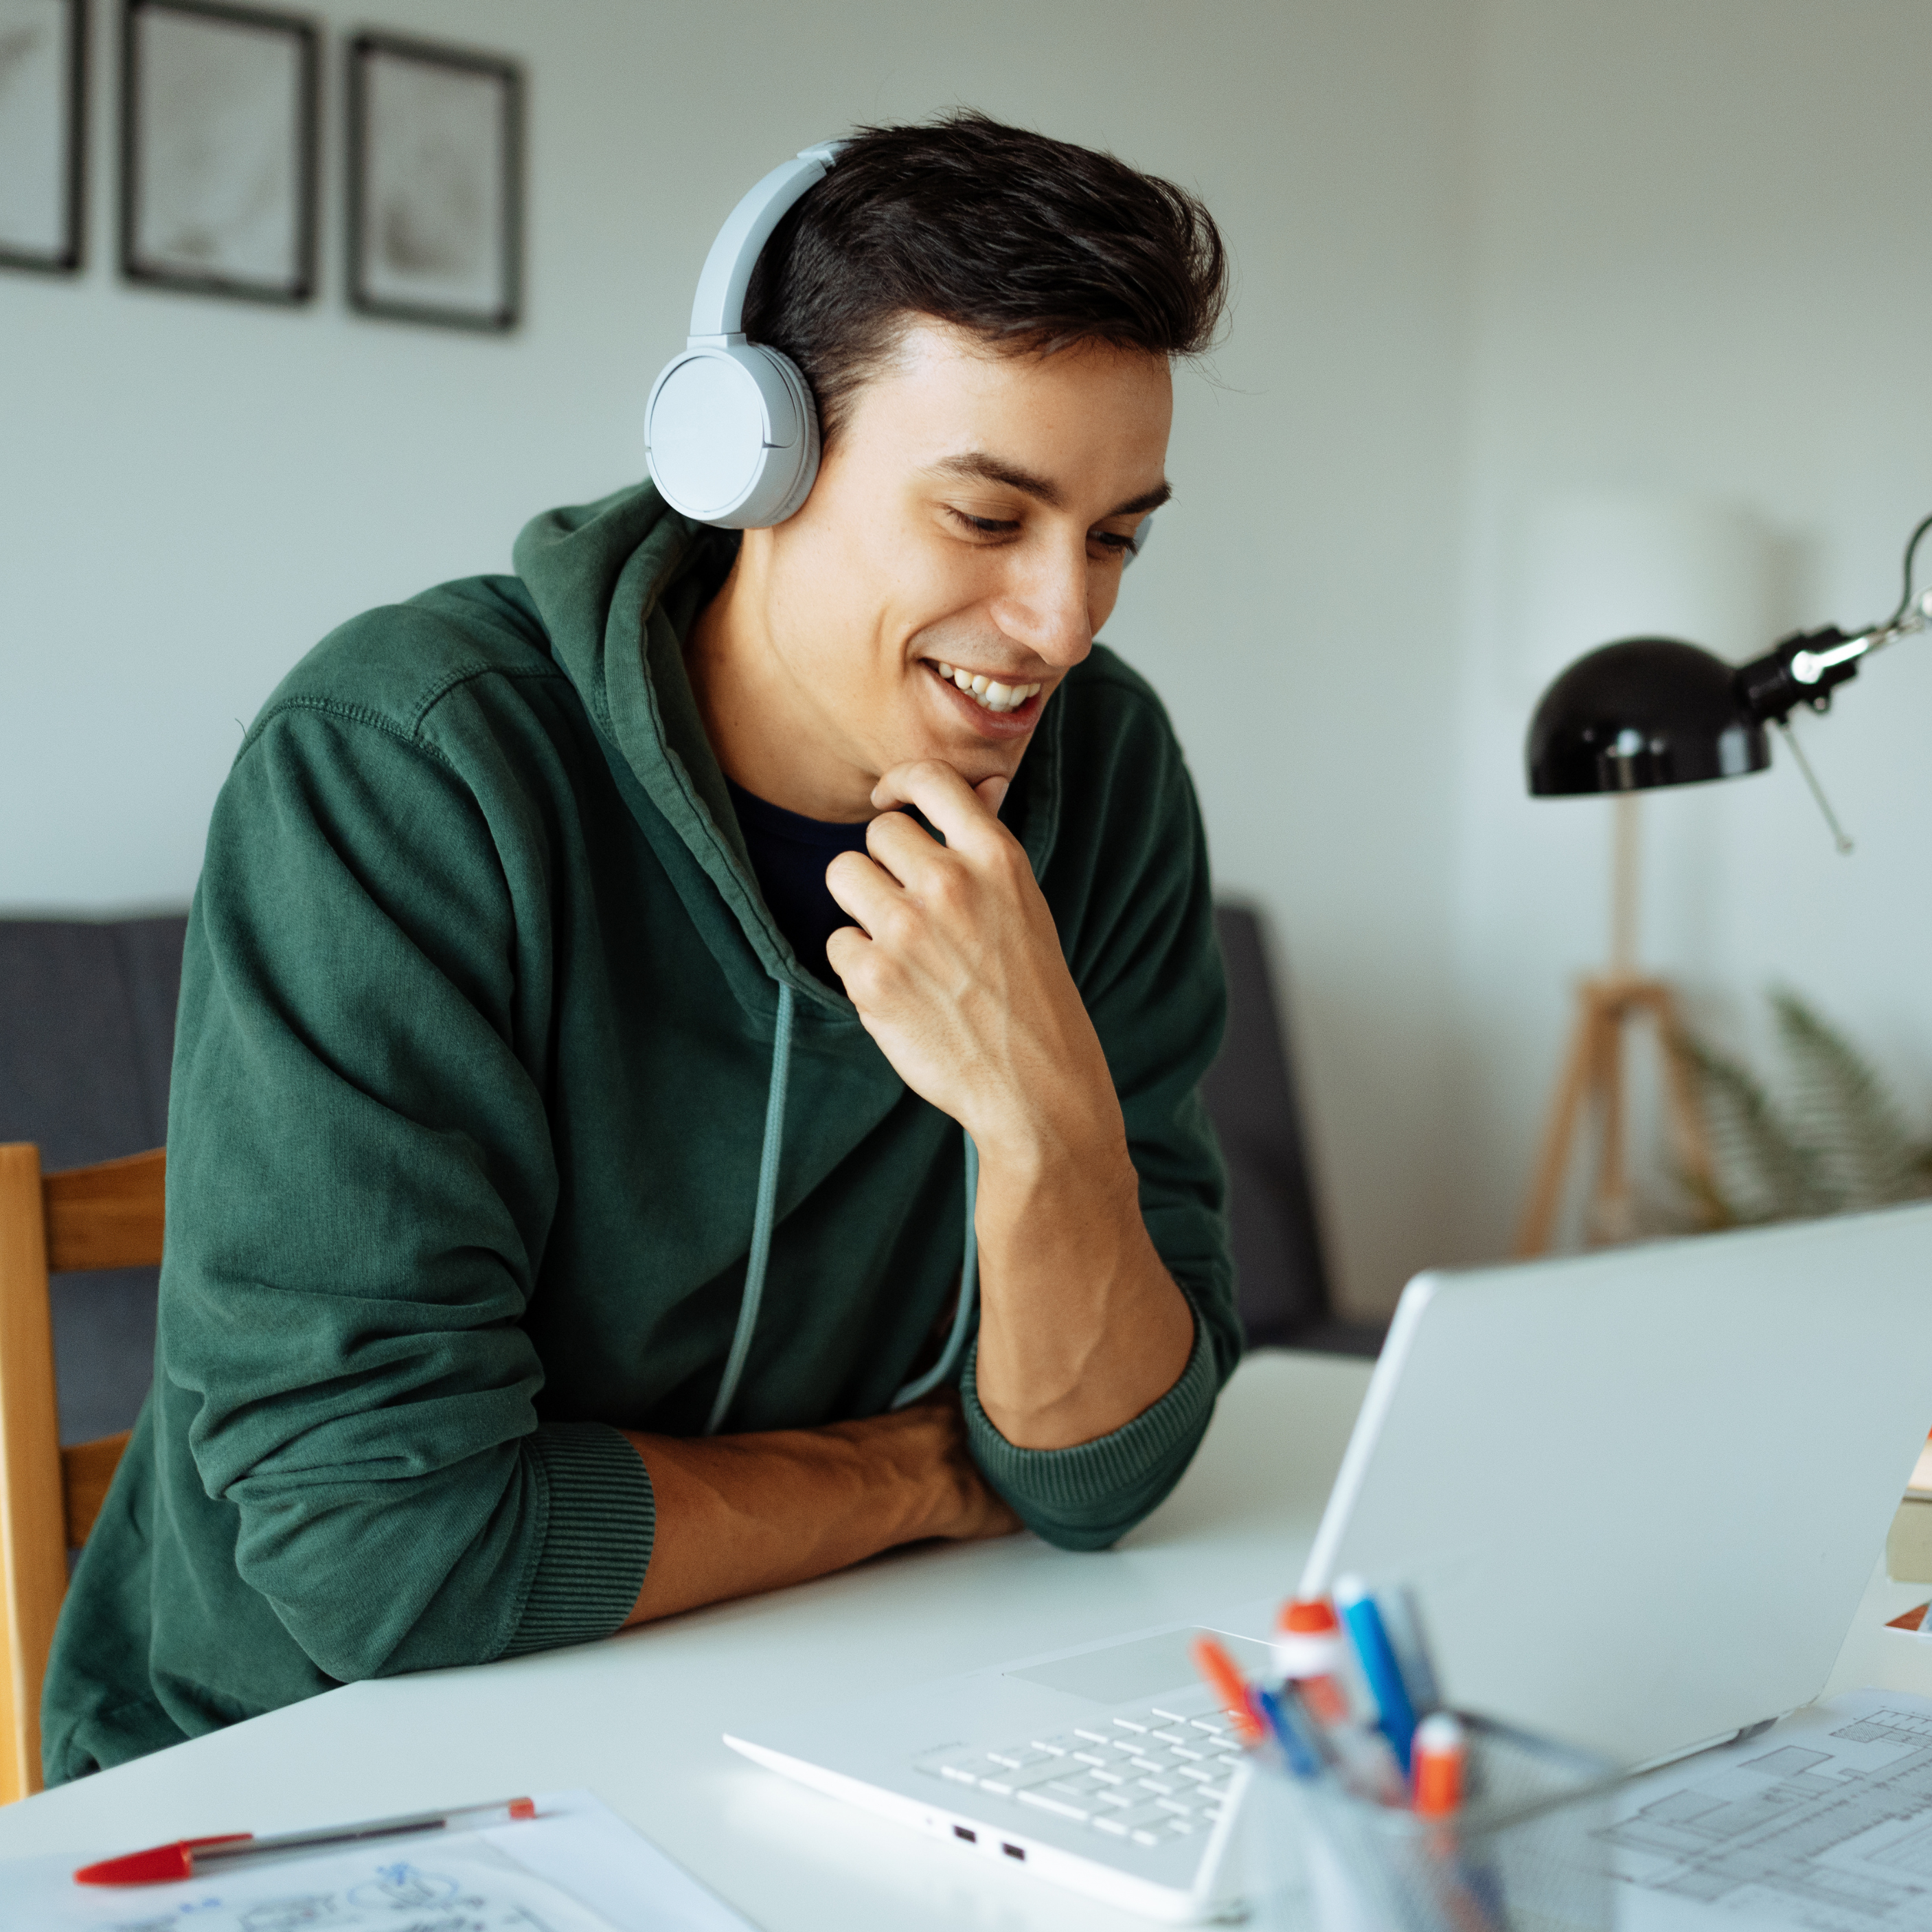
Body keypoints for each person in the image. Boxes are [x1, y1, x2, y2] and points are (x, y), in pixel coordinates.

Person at [43, 111, 1240, 1783]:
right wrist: (917, 1472)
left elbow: (1103, 1469)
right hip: (301, 1767)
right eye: (987, 517)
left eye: (1113, 535)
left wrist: (1046, 1122)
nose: (1065, 621)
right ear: (744, 460)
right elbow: (390, 1553)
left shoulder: (1106, 780)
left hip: (813, 1710)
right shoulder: (408, 765)